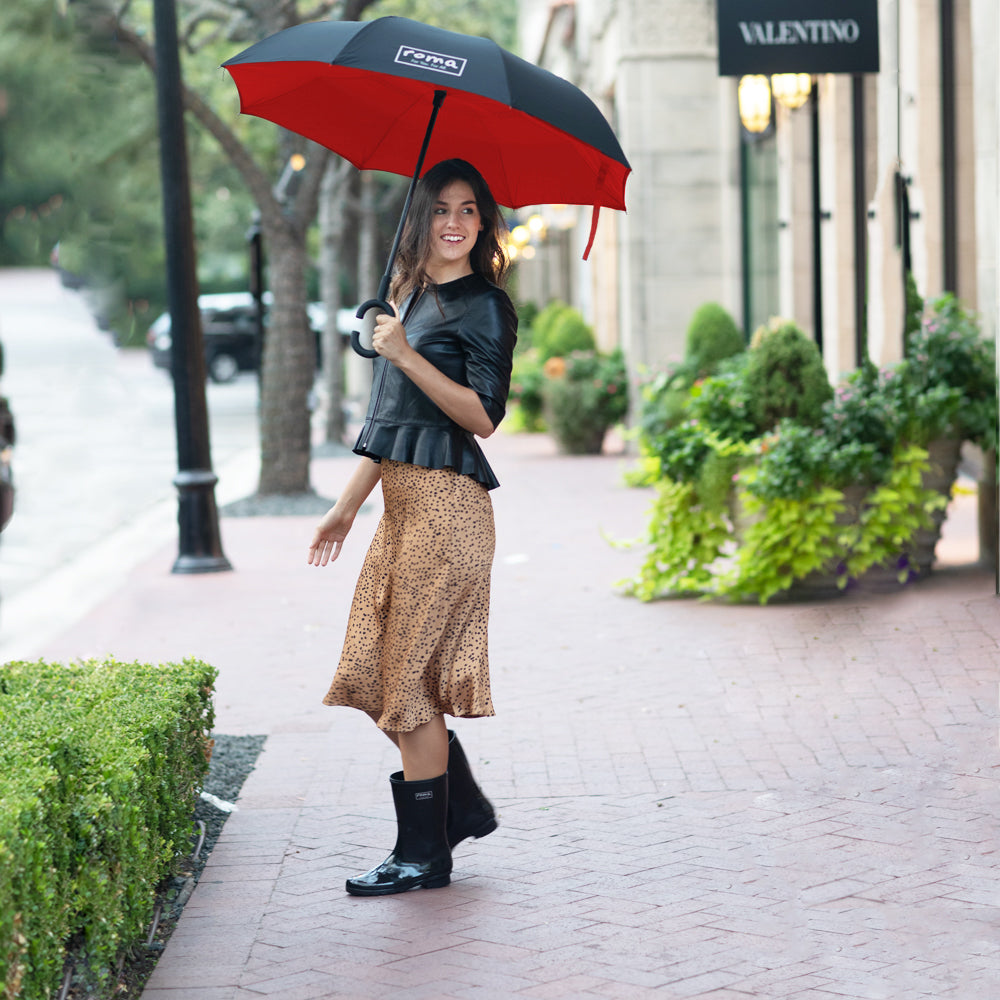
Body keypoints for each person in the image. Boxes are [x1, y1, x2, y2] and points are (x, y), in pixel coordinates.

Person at [307, 159, 518, 897]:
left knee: (410, 687)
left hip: (451, 512)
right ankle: (457, 808)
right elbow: (389, 422)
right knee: (377, 672)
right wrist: (345, 505)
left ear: (483, 223)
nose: (456, 222)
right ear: (421, 220)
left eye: (469, 209)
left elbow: (482, 417)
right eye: (441, 210)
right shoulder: (410, 299)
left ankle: (423, 853)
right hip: (402, 512)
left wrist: (401, 352)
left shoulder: (485, 306)